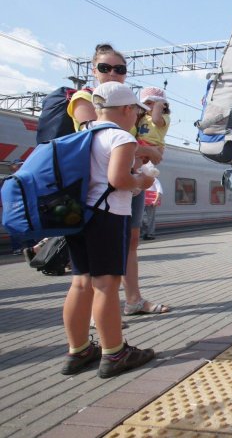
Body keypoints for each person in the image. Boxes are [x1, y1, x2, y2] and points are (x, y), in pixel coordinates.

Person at [61, 81, 156, 378]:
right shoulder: (120, 137)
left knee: (80, 283)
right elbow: (118, 180)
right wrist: (142, 181)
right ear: (127, 109)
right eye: (137, 114)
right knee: (105, 285)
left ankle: (78, 350)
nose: (136, 120)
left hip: (78, 218)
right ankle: (114, 352)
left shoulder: (83, 135)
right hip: (108, 217)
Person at [68, 43, 169, 317]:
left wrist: (145, 152)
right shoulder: (86, 98)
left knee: (130, 241)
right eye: (105, 67)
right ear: (93, 70)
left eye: (119, 69)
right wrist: (147, 151)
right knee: (97, 267)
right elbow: (97, 136)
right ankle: (100, 318)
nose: (113, 73)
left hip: (127, 183)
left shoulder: (124, 101)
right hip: (99, 190)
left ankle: (132, 300)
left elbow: (135, 137)